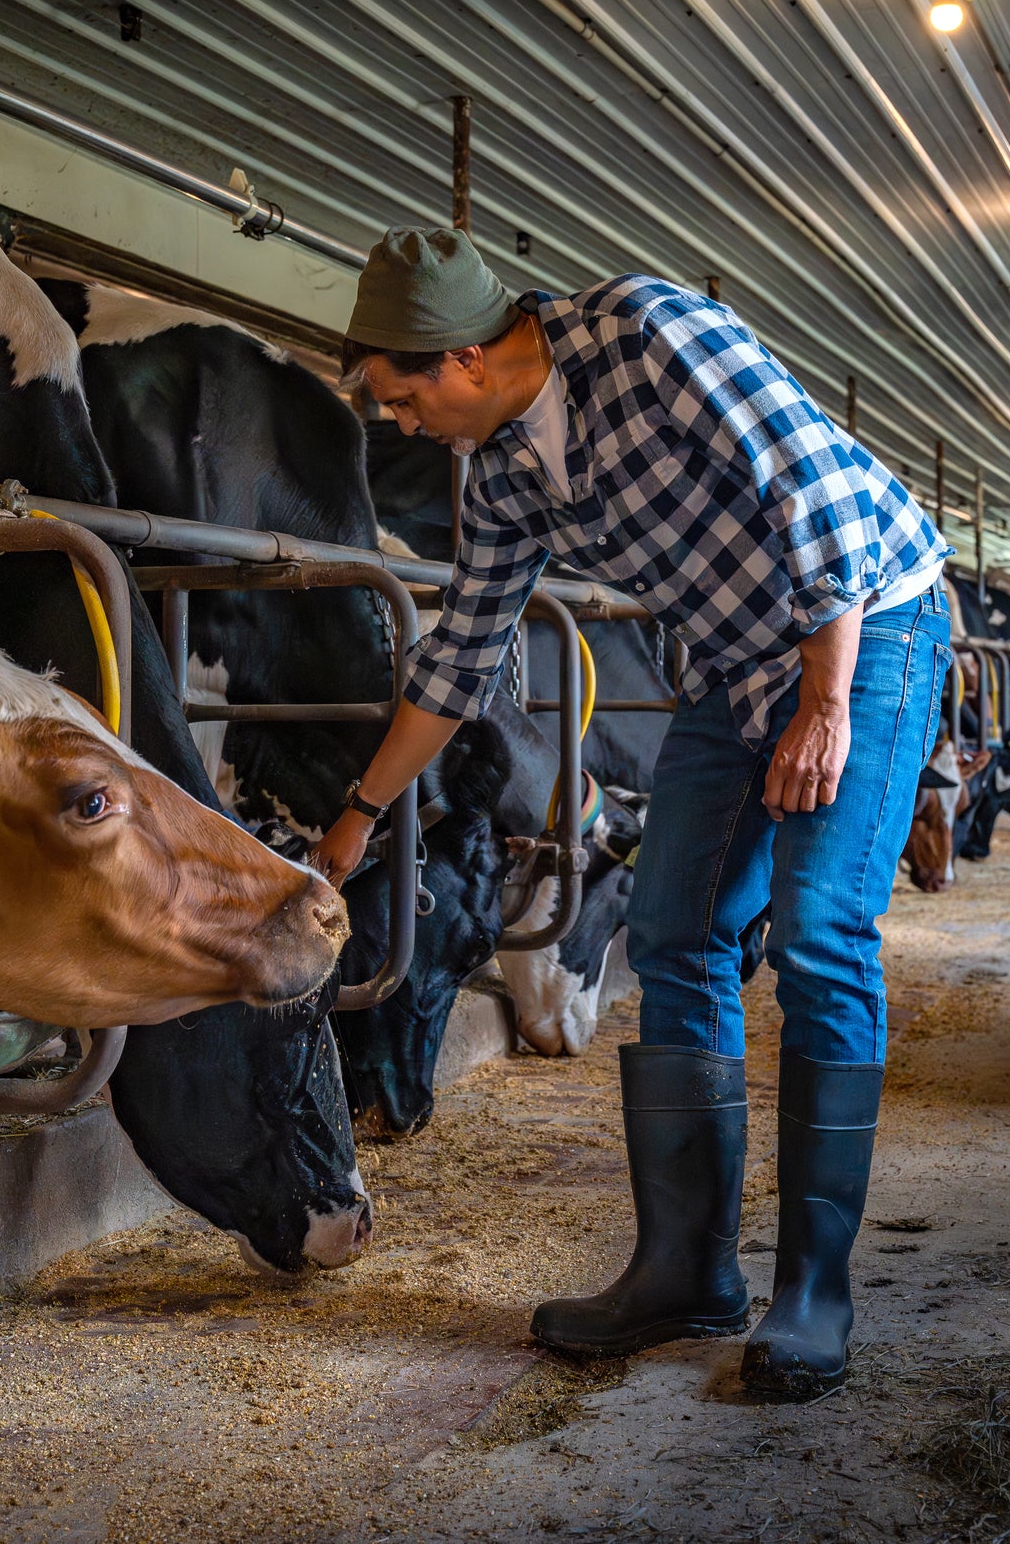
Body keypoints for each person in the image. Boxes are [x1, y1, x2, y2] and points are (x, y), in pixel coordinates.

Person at [313, 228, 951, 1400]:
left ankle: (812, 1290)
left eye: (399, 399)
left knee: (817, 932)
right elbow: (460, 653)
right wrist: (358, 811)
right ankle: (685, 1270)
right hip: (729, 661)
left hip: (868, 628)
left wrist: (823, 703)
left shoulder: (653, 332)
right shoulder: (502, 472)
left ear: (457, 358)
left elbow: (810, 491)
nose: (399, 424)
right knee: (670, 932)